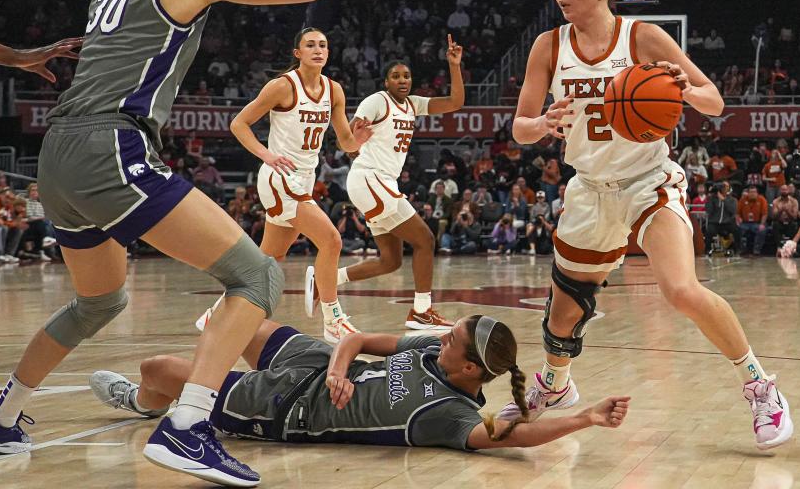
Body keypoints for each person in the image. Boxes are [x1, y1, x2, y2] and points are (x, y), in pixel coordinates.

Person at [0, 0, 347, 487]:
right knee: (258, 275)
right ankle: (188, 428)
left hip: (59, 154)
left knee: (100, 301)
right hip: (111, 145)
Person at [507, 0, 792, 450]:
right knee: (564, 314)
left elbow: (714, 100)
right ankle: (555, 384)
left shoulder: (643, 37)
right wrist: (543, 122)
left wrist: (683, 87)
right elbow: (521, 129)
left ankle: (760, 386)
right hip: (590, 190)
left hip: (648, 182)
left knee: (680, 288)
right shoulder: (548, 47)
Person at [90, 316, 630, 452]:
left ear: (470, 370)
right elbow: (356, 339)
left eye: (450, 342)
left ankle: (145, 404)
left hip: (289, 409)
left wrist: (582, 418)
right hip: (318, 362)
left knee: (157, 368)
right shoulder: (429, 351)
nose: (439, 339)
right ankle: (203, 394)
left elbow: (509, 437)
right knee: (243, 325)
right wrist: (336, 368)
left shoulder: (448, 416)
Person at [228, 27, 372, 344]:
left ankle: (220, 314)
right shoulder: (282, 86)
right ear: (298, 53)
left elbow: (346, 141)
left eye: (322, 45)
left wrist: (357, 142)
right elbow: (239, 123)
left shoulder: (334, 90)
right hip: (280, 177)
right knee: (332, 240)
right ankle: (333, 320)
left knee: (267, 260)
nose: (318, 50)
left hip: (305, 177)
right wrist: (267, 155)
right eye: (310, 45)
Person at [331, 39, 464, 330]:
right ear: (386, 81)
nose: (403, 80)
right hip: (370, 178)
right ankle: (421, 311)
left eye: (406, 76)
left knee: (390, 261)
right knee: (425, 240)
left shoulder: (413, 105)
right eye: (396, 76)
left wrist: (454, 66)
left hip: (379, 182)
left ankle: (327, 278)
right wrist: (355, 143)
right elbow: (349, 140)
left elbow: (455, 103)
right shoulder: (377, 101)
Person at [736, 185, 769, 256]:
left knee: (762, 230)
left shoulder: (762, 199)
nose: (753, 194)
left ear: (757, 193)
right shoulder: (742, 200)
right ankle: (742, 250)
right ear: (748, 193)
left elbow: (765, 214)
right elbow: (737, 213)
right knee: (738, 228)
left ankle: (756, 250)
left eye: (754, 192)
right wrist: (739, 220)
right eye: (751, 192)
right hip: (745, 223)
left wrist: (762, 224)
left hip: (757, 222)